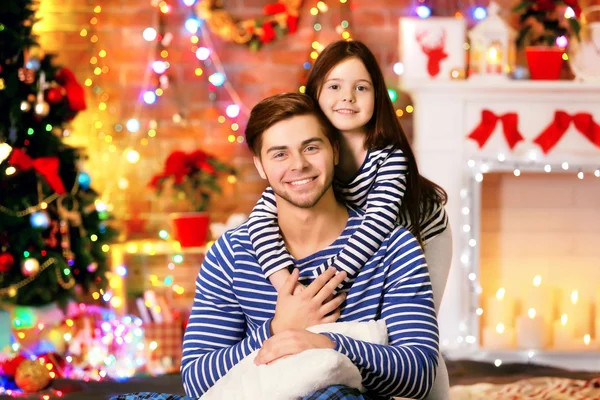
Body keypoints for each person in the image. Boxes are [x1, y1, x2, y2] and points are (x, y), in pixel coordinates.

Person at [181, 93, 439, 399]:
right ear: (260, 165)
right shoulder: (233, 253)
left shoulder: (393, 247)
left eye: (311, 148)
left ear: (334, 151)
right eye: (280, 154)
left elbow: (420, 373)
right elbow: (196, 381)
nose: (299, 165)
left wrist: (327, 344)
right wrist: (278, 329)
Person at [248, 40, 452, 399]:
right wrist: (290, 291)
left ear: (377, 96)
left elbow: (375, 226)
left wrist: (329, 282)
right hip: (361, 250)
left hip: (420, 232)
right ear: (315, 93)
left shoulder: (387, 159)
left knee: (414, 335)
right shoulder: (309, 161)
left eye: (361, 88)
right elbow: (261, 221)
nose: (348, 98)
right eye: (335, 87)